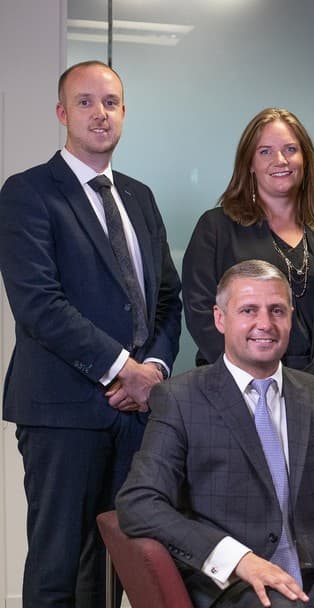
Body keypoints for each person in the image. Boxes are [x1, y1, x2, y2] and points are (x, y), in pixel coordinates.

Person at [116, 260, 314, 608]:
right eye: (248, 310)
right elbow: (139, 502)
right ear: (220, 318)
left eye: (277, 310)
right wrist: (238, 559)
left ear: (290, 317)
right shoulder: (180, 399)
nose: (265, 323)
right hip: (234, 587)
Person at [0, 60, 182, 607]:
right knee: (57, 567)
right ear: (62, 113)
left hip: (135, 414)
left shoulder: (139, 197)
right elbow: (39, 304)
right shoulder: (28, 192)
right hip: (64, 412)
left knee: (114, 570)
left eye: (110, 102)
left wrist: (154, 372)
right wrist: (125, 369)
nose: (99, 113)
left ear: (124, 112)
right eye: (85, 102)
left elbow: (167, 299)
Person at [183, 108, 314, 377]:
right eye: (265, 151)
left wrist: (311, 384)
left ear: (305, 160)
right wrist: (252, 376)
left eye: (290, 149)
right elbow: (200, 312)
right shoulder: (216, 229)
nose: (280, 160)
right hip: (236, 384)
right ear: (249, 163)